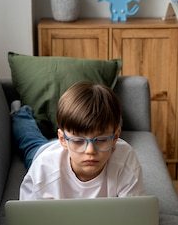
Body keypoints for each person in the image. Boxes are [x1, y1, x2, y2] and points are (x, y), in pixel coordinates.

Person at [11, 81, 145, 200]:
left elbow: (135, 214)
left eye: (101, 140)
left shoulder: (125, 160)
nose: (90, 151)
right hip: (45, 153)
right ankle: (20, 113)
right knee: (30, 141)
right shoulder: (43, 168)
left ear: (115, 138)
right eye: (78, 141)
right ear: (63, 140)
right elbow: (28, 222)